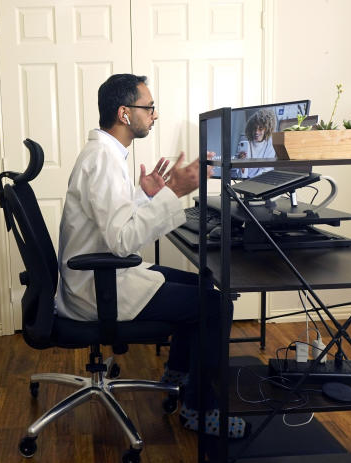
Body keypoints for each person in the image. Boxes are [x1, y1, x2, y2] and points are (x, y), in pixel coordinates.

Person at [55, 73, 245, 438]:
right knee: (216, 307)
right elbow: (123, 240)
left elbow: (114, 222)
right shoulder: (103, 160)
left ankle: (178, 375)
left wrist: (147, 195)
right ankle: (199, 410)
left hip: (101, 275)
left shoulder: (106, 154)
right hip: (98, 288)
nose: (155, 115)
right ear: (125, 113)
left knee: (203, 283)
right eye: (149, 107)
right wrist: (172, 191)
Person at [235, 107, 276, 179]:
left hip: (263, 180)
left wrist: (253, 180)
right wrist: (242, 166)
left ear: (266, 129)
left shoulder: (270, 142)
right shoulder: (245, 142)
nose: (257, 132)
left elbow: (267, 169)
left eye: (260, 128)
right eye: (254, 128)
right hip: (246, 181)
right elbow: (242, 175)